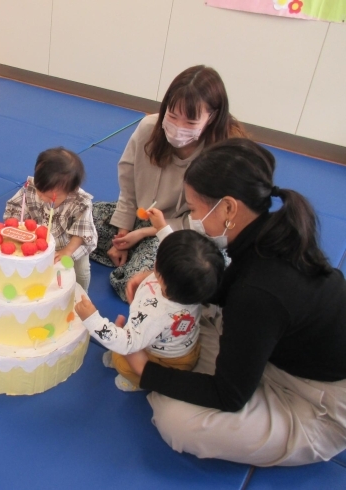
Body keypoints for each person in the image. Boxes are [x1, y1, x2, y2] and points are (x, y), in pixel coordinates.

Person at [124, 138, 346, 466]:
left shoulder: (261, 289)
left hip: (321, 401)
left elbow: (228, 396)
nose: (192, 218)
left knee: (178, 422)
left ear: (228, 208)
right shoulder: (269, 232)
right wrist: (164, 278)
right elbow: (229, 289)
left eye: (195, 210)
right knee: (185, 319)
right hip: (279, 350)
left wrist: (145, 371)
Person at [90, 65, 246, 302]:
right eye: (172, 116)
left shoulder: (221, 154)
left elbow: (206, 222)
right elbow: (128, 180)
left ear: (212, 116)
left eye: (191, 122)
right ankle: (131, 253)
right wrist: (123, 234)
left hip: (181, 232)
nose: (178, 127)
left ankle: (145, 262)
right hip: (140, 218)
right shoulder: (149, 128)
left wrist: (146, 232)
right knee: (75, 219)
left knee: (139, 283)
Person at [76, 225, 224, 392]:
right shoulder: (189, 286)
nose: (153, 263)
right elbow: (176, 261)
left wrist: (92, 319)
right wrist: (147, 274)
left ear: (162, 276)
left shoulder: (157, 314)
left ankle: (135, 381)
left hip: (164, 361)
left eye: (157, 261)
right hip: (175, 343)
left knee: (122, 362)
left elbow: (126, 344)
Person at [4, 147, 97, 291]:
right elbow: (17, 208)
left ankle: (81, 295)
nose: (42, 197)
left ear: (71, 190)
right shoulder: (32, 188)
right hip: (41, 240)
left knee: (81, 270)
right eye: (41, 190)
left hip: (70, 243)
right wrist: (15, 226)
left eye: (50, 197)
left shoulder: (80, 203)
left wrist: (67, 251)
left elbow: (81, 233)